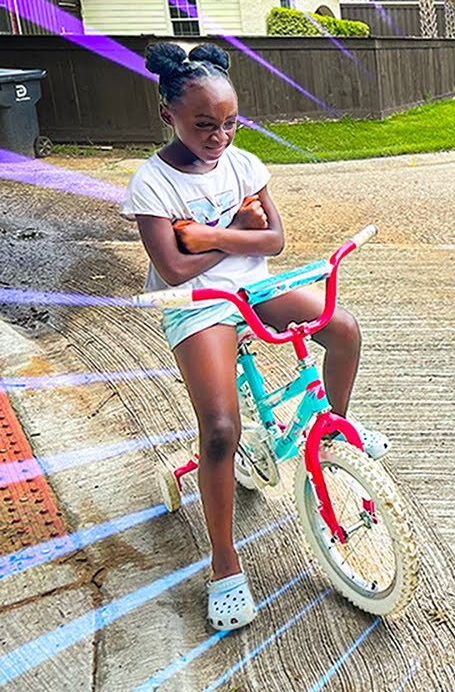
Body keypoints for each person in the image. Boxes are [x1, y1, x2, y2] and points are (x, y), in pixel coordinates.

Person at [122, 42, 388, 631]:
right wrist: (236, 230)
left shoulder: (243, 164)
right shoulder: (151, 183)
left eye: (230, 123)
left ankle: (331, 435)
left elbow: (275, 241)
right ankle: (224, 564)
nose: (219, 136)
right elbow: (173, 269)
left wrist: (208, 236)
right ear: (168, 114)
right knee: (221, 429)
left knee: (342, 328)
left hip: (256, 287)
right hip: (197, 307)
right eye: (204, 125)